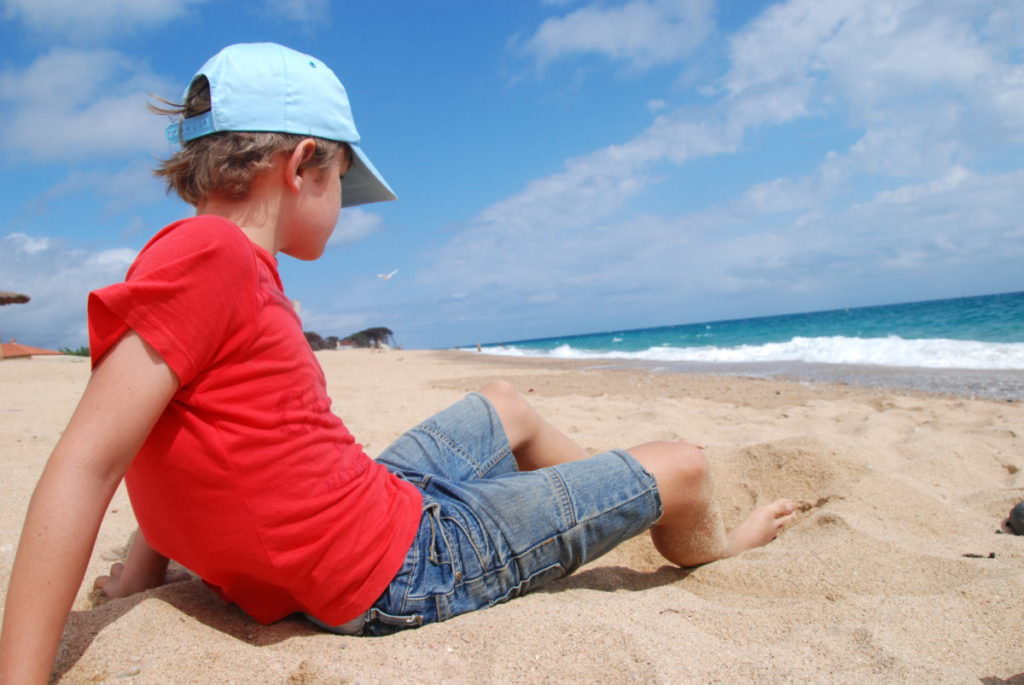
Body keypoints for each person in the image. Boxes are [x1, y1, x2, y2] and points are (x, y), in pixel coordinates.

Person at [0, 42, 794, 682]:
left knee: (505, 402)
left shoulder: (201, 263)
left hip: (367, 504)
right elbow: (90, 461)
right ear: (303, 163)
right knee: (685, 466)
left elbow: (178, 437)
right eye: (343, 180)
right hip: (406, 566)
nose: (343, 205)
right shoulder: (214, 260)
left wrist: (140, 576)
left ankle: (596, 487)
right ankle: (691, 528)